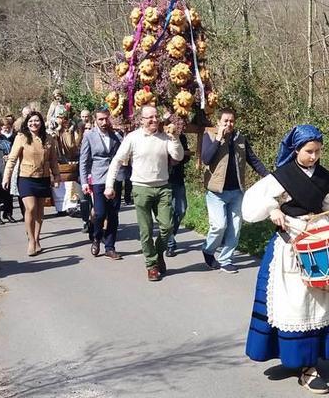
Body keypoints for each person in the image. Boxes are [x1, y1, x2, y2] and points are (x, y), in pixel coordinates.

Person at [243, 124, 329, 395]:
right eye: (309, 151)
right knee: (296, 305)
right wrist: (273, 209)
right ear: (295, 150)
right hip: (290, 245)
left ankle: (316, 357)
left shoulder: (326, 179)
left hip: (319, 243)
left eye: (318, 151)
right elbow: (251, 207)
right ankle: (305, 366)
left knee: (323, 302)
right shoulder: (279, 178)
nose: (314, 157)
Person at [105, 105, 184, 281]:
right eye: (150, 118)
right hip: (141, 188)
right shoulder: (133, 138)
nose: (154, 120)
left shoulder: (165, 137)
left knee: (167, 227)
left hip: (163, 187)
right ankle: (151, 265)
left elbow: (177, 156)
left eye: (156, 117)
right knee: (146, 231)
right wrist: (109, 185)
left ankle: (157, 253)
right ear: (141, 120)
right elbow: (117, 161)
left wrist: (175, 138)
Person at [200, 108, 268, 273]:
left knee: (235, 228)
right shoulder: (209, 136)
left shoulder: (240, 139)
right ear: (219, 122)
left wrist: (268, 176)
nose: (229, 124)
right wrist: (218, 139)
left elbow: (253, 160)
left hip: (237, 191)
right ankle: (208, 250)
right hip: (216, 192)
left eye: (231, 121)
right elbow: (206, 159)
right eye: (225, 121)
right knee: (219, 226)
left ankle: (225, 259)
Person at [2, 111, 60, 256]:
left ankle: (37, 238)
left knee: (40, 211)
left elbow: (53, 160)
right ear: (27, 123)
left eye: (36, 121)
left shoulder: (49, 139)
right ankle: (31, 241)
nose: (34, 123)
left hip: (43, 177)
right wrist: (6, 177)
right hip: (26, 177)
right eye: (31, 121)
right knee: (31, 208)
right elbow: (12, 159)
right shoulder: (21, 138)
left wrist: (57, 176)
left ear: (41, 122)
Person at [80, 107, 123, 259]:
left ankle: (110, 247)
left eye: (106, 118)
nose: (104, 122)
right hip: (98, 178)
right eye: (101, 119)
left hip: (115, 178)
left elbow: (125, 152)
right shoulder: (89, 136)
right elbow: (84, 160)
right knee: (99, 213)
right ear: (95, 120)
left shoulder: (116, 135)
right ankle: (97, 237)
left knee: (113, 214)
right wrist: (84, 181)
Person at [165, 133, 190, 257]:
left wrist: (181, 156)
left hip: (178, 178)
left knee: (181, 209)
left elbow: (187, 156)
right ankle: (170, 244)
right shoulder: (161, 135)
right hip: (163, 180)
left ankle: (169, 236)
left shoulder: (182, 137)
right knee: (167, 213)